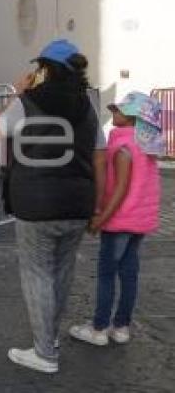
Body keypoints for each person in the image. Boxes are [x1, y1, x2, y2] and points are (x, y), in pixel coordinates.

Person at [0, 39, 105, 374]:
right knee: (62, 275)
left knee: (37, 275)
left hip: (36, 204)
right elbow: (100, 154)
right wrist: (98, 206)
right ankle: (48, 340)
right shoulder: (87, 104)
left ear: (46, 70)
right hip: (78, 204)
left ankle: (45, 353)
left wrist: (16, 92)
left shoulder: (29, 101)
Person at [69, 92, 163, 347]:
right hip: (139, 222)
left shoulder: (123, 146)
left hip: (120, 221)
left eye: (119, 110)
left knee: (107, 274)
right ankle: (121, 327)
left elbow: (120, 189)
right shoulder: (146, 145)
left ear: (133, 117)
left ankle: (99, 328)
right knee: (129, 273)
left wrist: (101, 219)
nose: (113, 113)